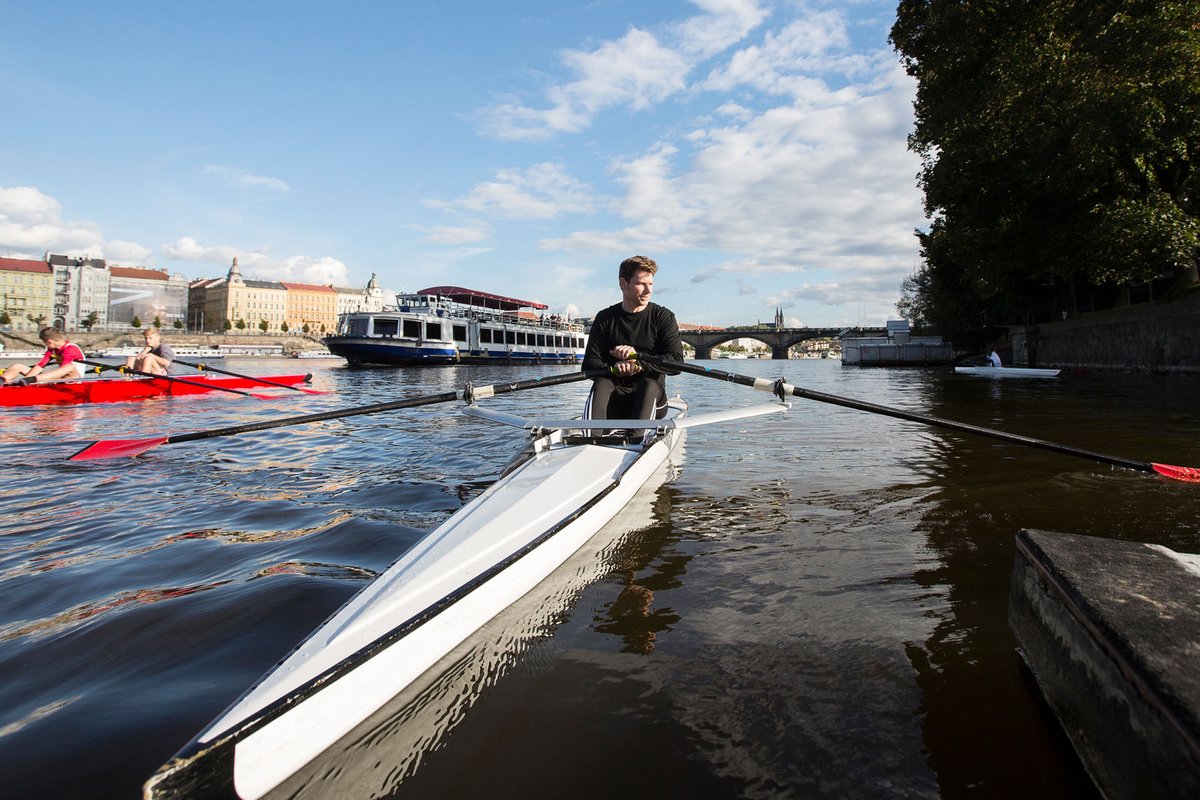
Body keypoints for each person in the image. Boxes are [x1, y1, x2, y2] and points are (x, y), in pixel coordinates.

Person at [583, 255, 683, 420]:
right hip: (614, 399)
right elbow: (589, 364)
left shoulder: (663, 317)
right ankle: (591, 439)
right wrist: (617, 368)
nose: (648, 290)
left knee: (648, 385)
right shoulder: (605, 318)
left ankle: (636, 439)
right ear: (623, 284)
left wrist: (637, 363)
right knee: (601, 383)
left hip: (651, 399)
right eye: (641, 284)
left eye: (650, 284)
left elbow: (676, 363)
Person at [1, 326, 86, 385]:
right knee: (17, 366)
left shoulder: (71, 349)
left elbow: (64, 370)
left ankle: (32, 380)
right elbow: (40, 366)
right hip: (56, 377)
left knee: (69, 367)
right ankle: (2, 380)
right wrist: (27, 379)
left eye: (44, 342)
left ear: (50, 342)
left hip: (72, 380)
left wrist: (41, 380)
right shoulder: (52, 349)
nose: (45, 345)